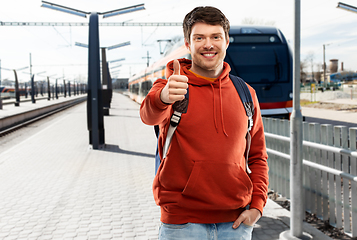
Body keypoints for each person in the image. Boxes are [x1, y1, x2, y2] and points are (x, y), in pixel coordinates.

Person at [140, 6, 269, 240]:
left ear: (227, 41)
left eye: (215, 37)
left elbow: (258, 156)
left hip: (235, 224)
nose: (208, 44)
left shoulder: (246, 93)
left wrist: (257, 206)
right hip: (182, 224)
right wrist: (164, 97)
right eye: (199, 37)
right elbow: (148, 115)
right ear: (188, 44)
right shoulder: (169, 85)